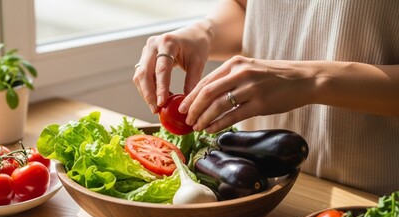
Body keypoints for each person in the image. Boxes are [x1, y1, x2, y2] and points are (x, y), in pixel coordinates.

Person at [132, 0, 399, 196]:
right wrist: (205, 31)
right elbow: (247, 8)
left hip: (373, 197)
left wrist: (311, 79)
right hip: (255, 187)